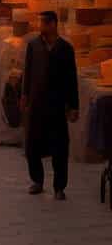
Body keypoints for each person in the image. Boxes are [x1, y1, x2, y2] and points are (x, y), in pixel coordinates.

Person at [22, 11, 79, 200]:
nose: (40, 27)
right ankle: (37, 181)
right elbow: (27, 73)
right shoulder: (33, 46)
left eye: (43, 23)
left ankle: (59, 187)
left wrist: (73, 106)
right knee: (32, 145)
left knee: (60, 148)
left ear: (53, 24)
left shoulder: (65, 49)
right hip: (36, 104)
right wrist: (24, 96)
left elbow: (72, 79)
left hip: (56, 105)